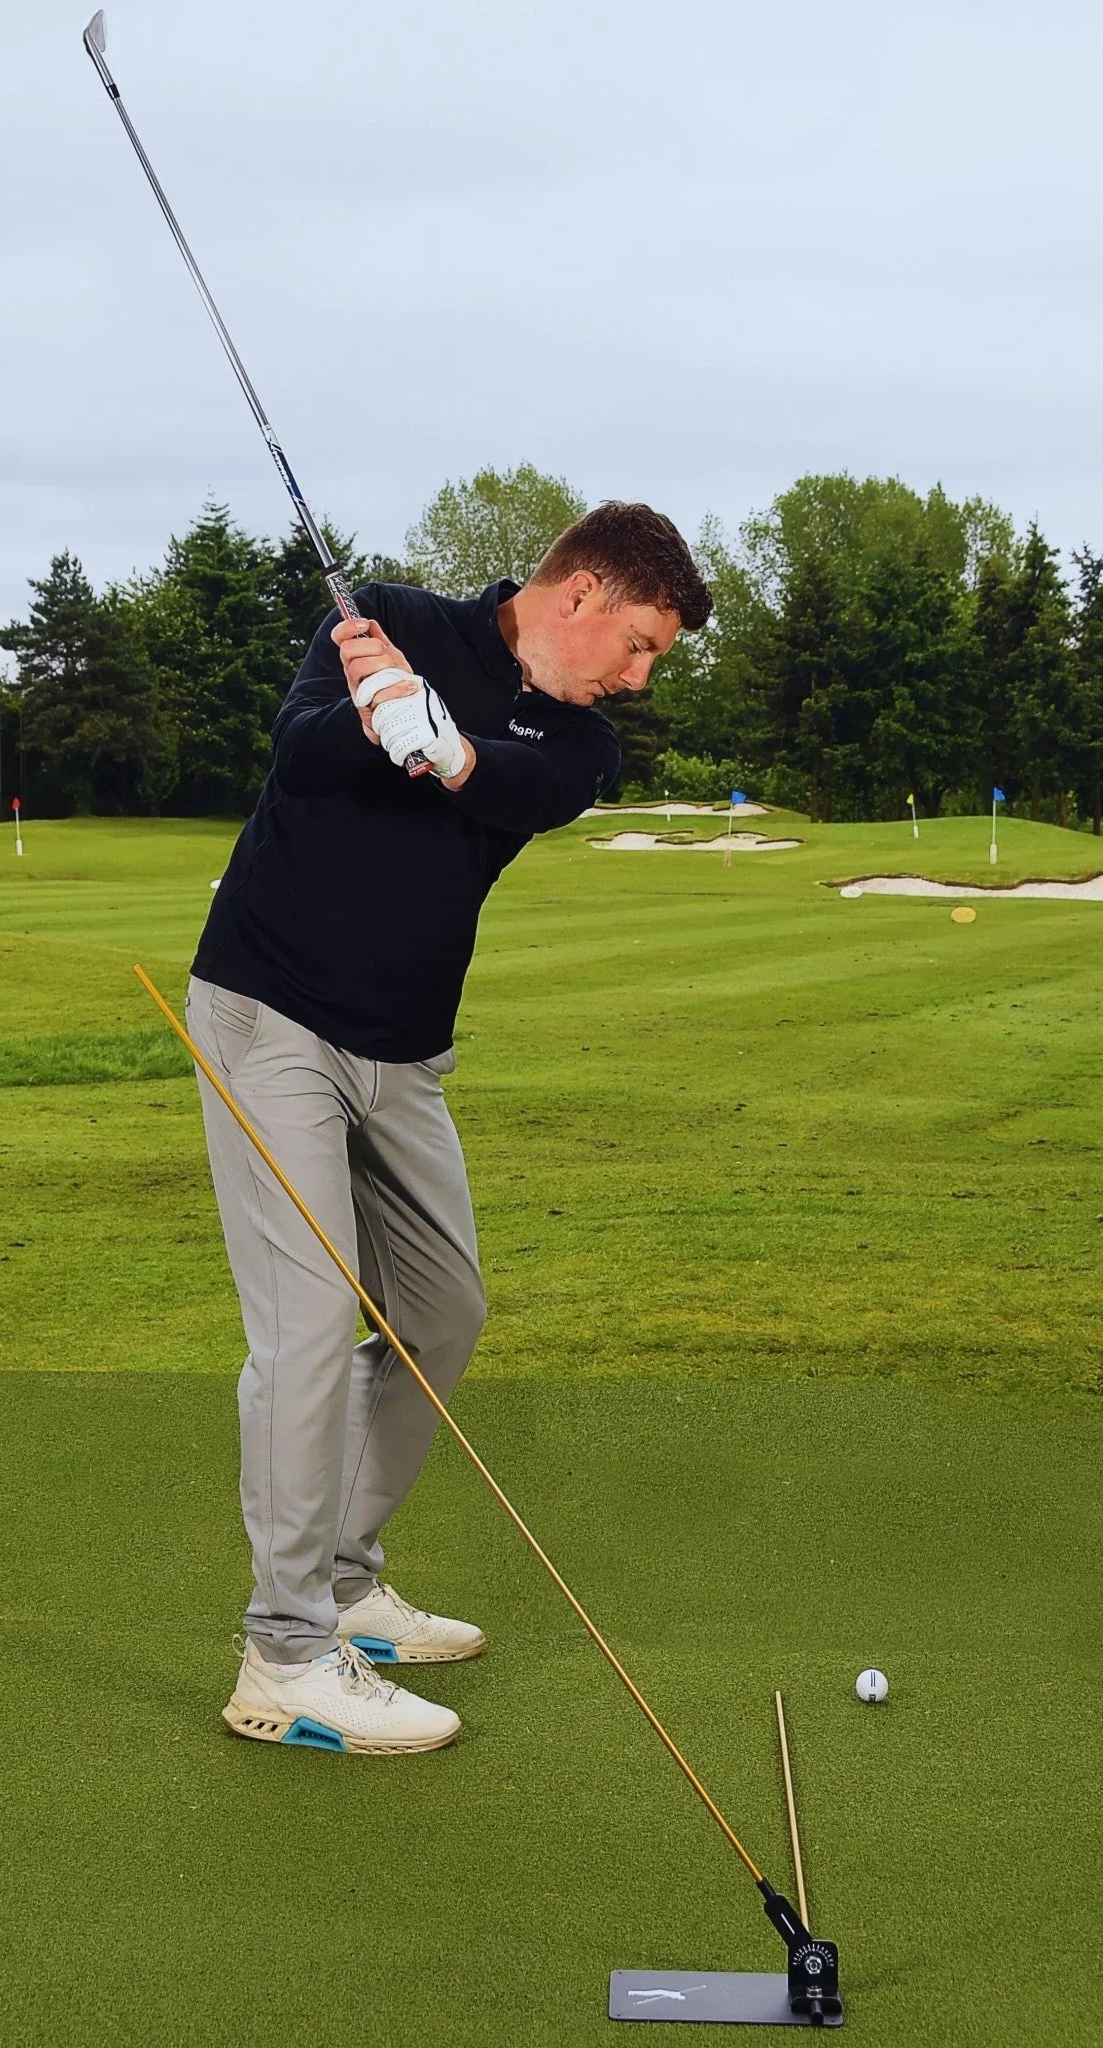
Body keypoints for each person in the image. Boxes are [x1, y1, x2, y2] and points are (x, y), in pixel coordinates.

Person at [188, 500, 712, 1755]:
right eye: (636, 643)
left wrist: (448, 743)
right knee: (313, 1321)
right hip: (273, 1019)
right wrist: (376, 716)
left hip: (406, 1053)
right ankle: (286, 1650)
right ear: (579, 593)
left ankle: (347, 1578)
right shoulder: (387, 626)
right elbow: (298, 756)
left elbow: (520, 786)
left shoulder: (580, 744)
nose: (636, 678)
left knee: (439, 1311)